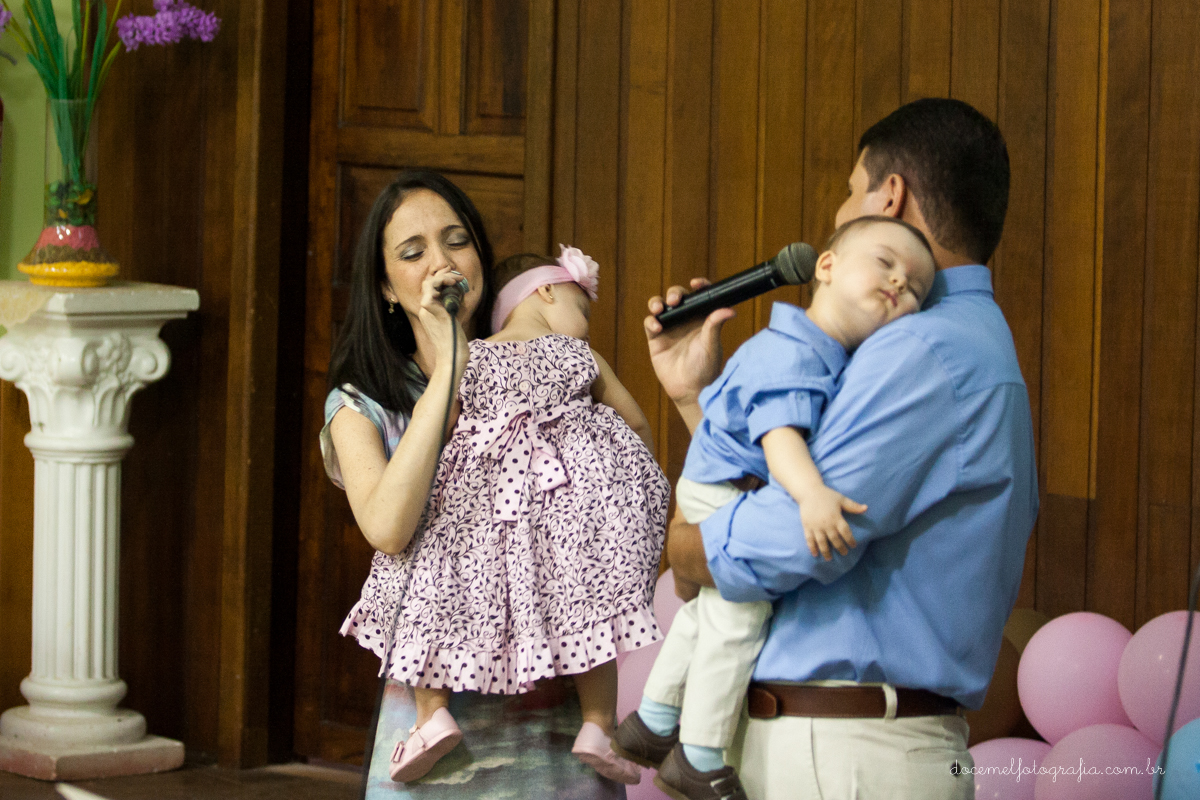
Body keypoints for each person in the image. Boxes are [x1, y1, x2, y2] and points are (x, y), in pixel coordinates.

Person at [641, 98, 1039, 800]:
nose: (840, 209)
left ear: (890, 196)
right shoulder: (958, 341)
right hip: (841, 745)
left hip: (845, 754)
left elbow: (807, 534)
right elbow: (785, 485)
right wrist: (694, 397)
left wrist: (686, 549)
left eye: (850, 189)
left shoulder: (924, 347)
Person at [323, 205, 669, 786]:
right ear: (385, 285)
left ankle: (442, 719)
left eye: (457, 241)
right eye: (412, 252)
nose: (440, 261)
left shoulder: (482, 361)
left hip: (548, 737)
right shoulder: (364, 402)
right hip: (458, 751)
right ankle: (595, 723)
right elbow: (389, 528)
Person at [614, 216, 938, 799]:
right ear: (827, 267)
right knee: (740, 620)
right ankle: (700, 753)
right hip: (721, 486)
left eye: (915, 288)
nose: (899, 284)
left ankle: (653, 722)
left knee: (708, 614)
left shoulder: (828, 355)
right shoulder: (798, 350)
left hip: (721, 481)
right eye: (885, 263)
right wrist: (813, 494)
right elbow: (779, 435)